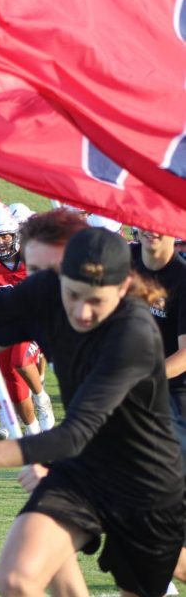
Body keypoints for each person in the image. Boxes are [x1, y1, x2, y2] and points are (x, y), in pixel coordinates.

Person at [0, 227, 184, 597]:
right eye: (73, 294)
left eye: (95, 301)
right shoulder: (48, 290)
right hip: (84, 470)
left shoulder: (134, 335)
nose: (81, 311)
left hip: (144, 479)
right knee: (17, 579)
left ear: (122, 289)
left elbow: (73, 434)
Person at [131, 227, 186, 586]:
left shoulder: (182, 279)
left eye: (159, 222)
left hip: (175, 393)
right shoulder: (123, 262)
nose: (151, 229)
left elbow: (185, 356)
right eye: (144, 221)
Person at [0, 203, 54, 439]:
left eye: (4, 236)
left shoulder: (34, 255)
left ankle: (41, 398)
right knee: (13, 387)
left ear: (15, 234)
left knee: (20, 360)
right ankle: (32, 431)